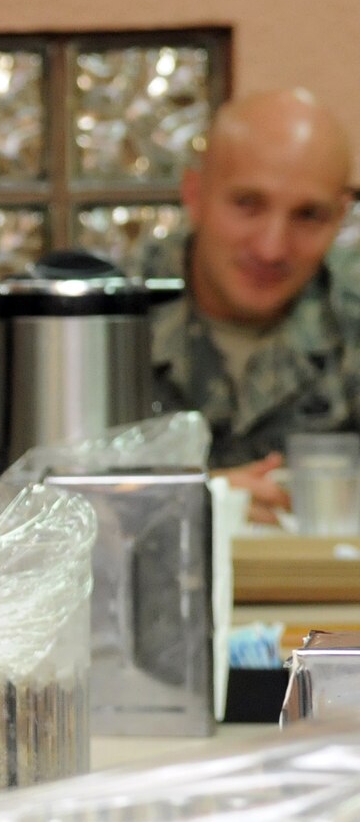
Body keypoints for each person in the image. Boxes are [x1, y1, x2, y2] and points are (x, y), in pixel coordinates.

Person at [146, 89, 360, 521]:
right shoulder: (95, 320)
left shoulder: (351, 312)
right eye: (248, 204)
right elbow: (2, 505)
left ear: (341, 216)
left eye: (308, 216)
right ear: (195, 193)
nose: (271, 248)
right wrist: (201, 499)